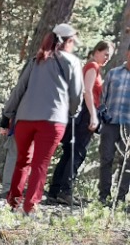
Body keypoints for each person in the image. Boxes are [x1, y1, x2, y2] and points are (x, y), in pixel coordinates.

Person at [0, 24, 83, 215]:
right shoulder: (72, 62)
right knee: (40, 164)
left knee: (22, 161)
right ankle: (30, 207)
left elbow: (19, 89)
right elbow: (77, 94)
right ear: (68, 41)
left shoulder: (37, 59)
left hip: (24, 119)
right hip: (53, 120)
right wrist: (72, 113)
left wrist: (7, 115)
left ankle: (13, 203)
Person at [46, 40, 114, 205]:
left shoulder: (92, 67)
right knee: (77, 152)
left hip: (82, 113)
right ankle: (65, 191)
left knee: (70, 152)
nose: (107, 59)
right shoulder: (92, 67)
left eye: (109, 56)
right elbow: (87, 92)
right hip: (85, 114)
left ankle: (55, 191)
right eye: (105, 54)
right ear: (97, 50)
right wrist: (93, 116)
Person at [98, 46, 130, 206]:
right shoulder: (114, 73)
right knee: (106, 159)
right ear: (128, 53)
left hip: (128, 127)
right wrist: (102, 114)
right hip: (110, 124)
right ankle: (103, 196)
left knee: (126, 162)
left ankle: (120, 198)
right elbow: (102, 97)